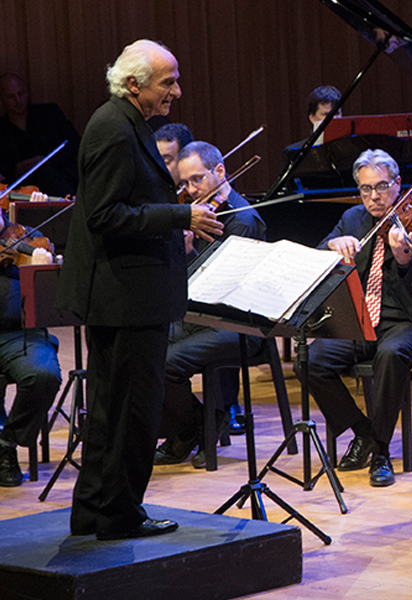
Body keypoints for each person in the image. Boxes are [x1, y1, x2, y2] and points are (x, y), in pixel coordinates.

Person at [57, 39, 224, 540]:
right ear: (134, 84)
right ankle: (119, 515)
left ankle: (93, 511)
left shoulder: (122, 122)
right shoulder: (114, 128)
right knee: (131, 412)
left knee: (111, 410)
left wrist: (170, 210)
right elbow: (105, 215)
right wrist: (179, 215)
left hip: (124, 295)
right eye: (168, 82)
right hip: (126, 298)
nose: (177, 91)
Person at [298, 149, 412, 488]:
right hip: (362, 321)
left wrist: (405, 259)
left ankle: (381, 452)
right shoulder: (352, 218)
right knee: (310, 359)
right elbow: (319, 255)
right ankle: (364, 432)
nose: (374, 196)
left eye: (381, 186)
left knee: (391, 354)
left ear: (397, 184)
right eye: (366, 189)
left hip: (410, 321)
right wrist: (332, 244)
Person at [152, 141, 266, 468]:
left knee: (166, 363)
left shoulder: (242, 220)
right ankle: (197, 425)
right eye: (185, 183)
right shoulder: (202, 214)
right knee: (145, 350)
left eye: (197, 179)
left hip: (239, 324)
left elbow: (222, 288)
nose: (191, 190)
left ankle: (194, 428)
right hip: (202, 318)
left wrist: (188, 253)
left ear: (220, 171)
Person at [0, 212, 62, 487]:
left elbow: (53, 295)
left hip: (22, 334)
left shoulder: (26, 236)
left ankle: (7, 442)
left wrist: (42, 272)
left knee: (43, 375)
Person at [0, 73, 81, 196]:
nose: (18, 100)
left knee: (45, 173)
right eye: (11, 97)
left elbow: (75, 143)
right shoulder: (2, 128)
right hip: (23, 189)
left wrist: (47, 160)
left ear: (26, 91)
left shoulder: (49, 113)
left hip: (61, 178)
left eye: (20, 94)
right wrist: (16, 169)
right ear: (2, 99)